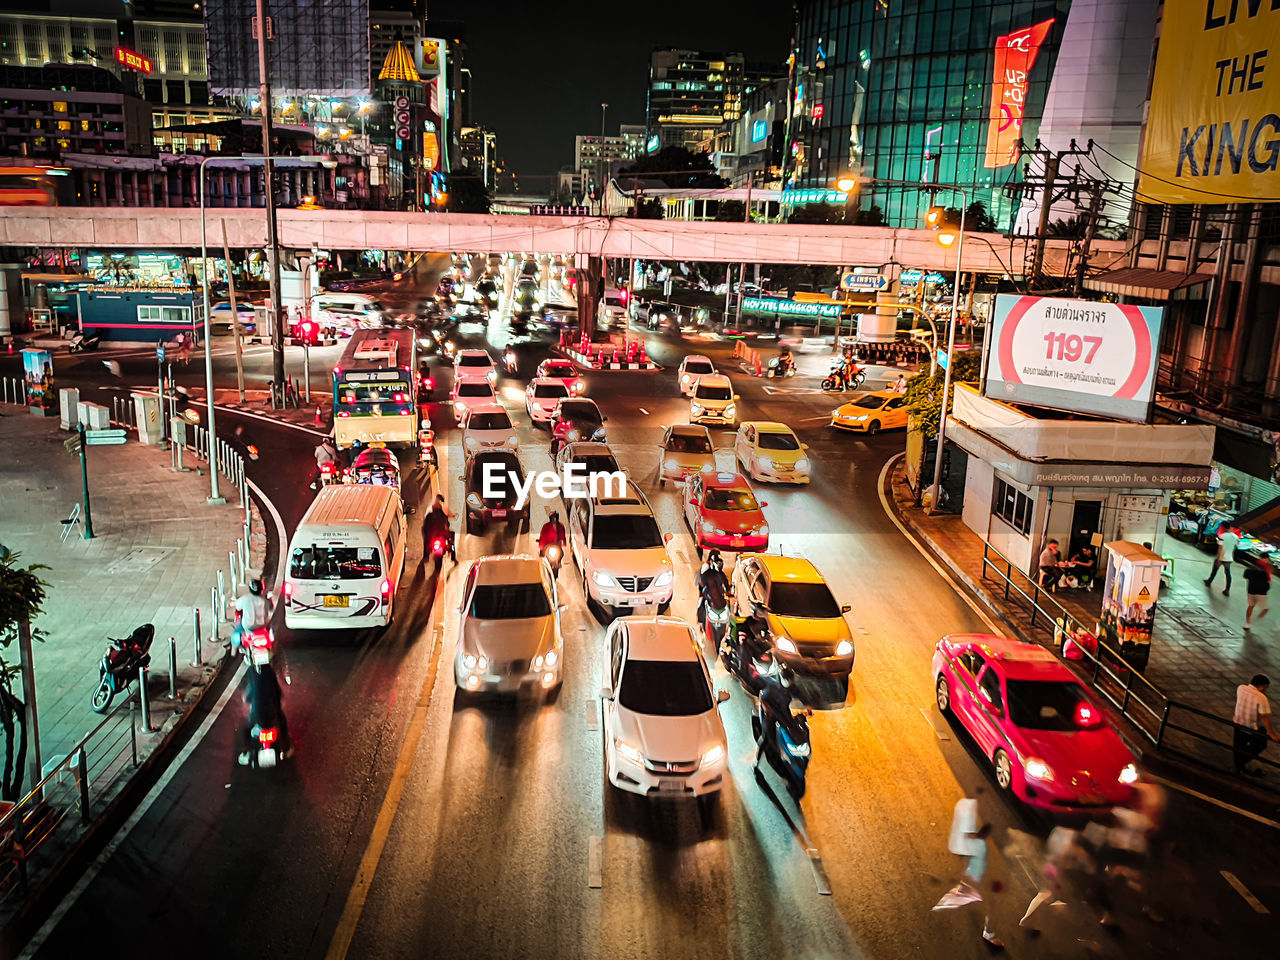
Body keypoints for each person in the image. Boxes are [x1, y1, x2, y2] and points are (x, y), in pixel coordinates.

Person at [934, 795, 1003, 947]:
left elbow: (965, 856)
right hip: (977, 879)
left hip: (969, 875)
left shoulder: (972, 843)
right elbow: (981, 868)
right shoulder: (981, 846)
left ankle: (959, 893)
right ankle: (989, 933)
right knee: (993, 906)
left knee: (966, 884)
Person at [238, 660, 290, 765]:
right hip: (273, 714)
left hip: (257, 715)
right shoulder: (270, 671)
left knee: (245, 726)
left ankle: (245, 751)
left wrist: (246, 699)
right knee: (283, 723)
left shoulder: (251, 671)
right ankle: (287, 748)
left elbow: (250, 694)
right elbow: (278, 692)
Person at [1233, 673, 1277, 775]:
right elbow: (1264, 717)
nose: (1266, 690)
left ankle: (1239, 767)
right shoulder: (1261, 698)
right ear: (1262, 686)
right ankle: (1241, 763)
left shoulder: (1241, 688)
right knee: (1260, 744)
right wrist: (1271, 733)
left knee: (1238, 746)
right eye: (1266, 687)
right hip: (1250, 727)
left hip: (1237, 723)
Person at [754, 662, 795, 768]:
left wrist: (808, 706)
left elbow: (800, 695)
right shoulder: (771, 689)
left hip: (785, 714)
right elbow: (765, 703)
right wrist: (769, 712)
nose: (788, 682)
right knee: (767, 736)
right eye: (787, 679)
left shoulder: (791, 687)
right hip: (772, 716)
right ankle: (757, 760)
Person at [232, 579, 270, 651]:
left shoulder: (245, 599)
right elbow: (269, 610)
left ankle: (234, 652)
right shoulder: (265, 600)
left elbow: (237, 608)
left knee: (236, 632)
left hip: (248, 626)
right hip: (263, 625)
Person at [697, 549, 731, 625]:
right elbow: (701, 583)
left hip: (719, 601)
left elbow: (726, 585)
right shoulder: (706, 569)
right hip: (709, 596)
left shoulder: (720, 574)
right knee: (701, 603)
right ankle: (700, 622)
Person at [1205, 526, 1240, 595]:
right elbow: (1235, 547)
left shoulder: (1222, 536)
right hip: (1229, 558)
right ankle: (1227, 589)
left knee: (1215, 570)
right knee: (1228, 574)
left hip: (1222, 557)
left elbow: (1220, 548)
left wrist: (1219, 559)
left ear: (1224, 528)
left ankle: (1209, 581)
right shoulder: (1236, 537)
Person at [423, 493, 456, 562]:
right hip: (439, 533)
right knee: (451, 538)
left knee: (426, 541)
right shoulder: (440, 510)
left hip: (435, 533)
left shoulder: (432, 511)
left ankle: (426, 556)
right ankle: (453, 555)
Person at [1244, 557, 1271, 631]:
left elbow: (1245, 576)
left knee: (1251, 606)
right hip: (1261, 592)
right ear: (1265, 559)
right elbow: (1267, 581)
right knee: (1265, 609)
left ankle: (1247, 622)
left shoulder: (1251, 567)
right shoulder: (1265, 569)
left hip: (1251, 590)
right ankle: (1254, 621)